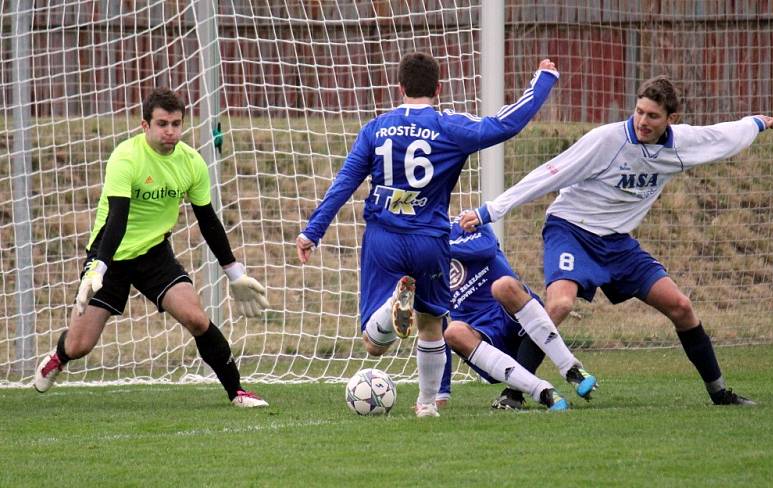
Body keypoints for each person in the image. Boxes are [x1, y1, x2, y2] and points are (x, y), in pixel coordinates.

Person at [460, 75, 773, 406]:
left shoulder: (682, 143)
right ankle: (513, 393)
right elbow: (549, 173)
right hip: (571, 228)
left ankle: (720, 394)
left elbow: (721, 137)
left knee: (681, 307)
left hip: (617, 244)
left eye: (653, 116)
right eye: (639, 111)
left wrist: (755, 123)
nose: (642, 121)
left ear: (672, 119)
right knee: (558, 305)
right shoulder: (607, 141)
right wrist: (490, 211)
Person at [296, 53, 560, 417]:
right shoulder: (449, 126)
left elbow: (345, 182)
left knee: (373, 345)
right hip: (431, 240)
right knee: (431, 324)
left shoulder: (376, 128)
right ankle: (426, 405)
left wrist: (313, 230)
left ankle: (390, 313)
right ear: (438, 88)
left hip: (383, 238)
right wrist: (544, 80)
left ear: (399, 87)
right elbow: (503, 125)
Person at [33, 88, 270, 408]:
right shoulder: (126, 157)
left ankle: (237, 391)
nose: (170, 131)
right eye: (162, 124)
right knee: (79, 345)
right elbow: (116, 220)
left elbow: (208, 221)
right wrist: (98, 268)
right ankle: (58, 357)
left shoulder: (191, 162)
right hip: (111, 254)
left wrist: (235, 273)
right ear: (145, 125)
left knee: (197, 319)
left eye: (176, 123)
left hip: (154, 254)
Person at [442, 217, 597, 411]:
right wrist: (440, 392)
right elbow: (432, 320)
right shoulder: (420, 261)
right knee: (452, 332)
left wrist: (439, 248)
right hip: (482, 333)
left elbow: (486, 248)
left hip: (513, 314)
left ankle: (571, 369)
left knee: (503, 285)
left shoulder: (466, 221)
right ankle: (542, 391)